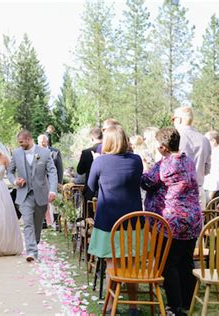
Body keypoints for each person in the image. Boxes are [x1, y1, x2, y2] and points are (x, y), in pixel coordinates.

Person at [141, 128, 202, 316]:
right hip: (193, 219)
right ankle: (187, 301)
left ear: (162, 147)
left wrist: (144, 165)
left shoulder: (163, 166)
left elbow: (146, 182)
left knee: (169, 264)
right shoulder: (188, 161)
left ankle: (174, 307)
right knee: (186, 261)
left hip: (172, 222)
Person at [86, 125, 143, 315]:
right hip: (133, 223)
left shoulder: (100, 162)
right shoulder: (136, 160)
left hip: (108, 222)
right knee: (131, 264)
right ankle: (133, 306)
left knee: (111, 264)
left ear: (107, 142)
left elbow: (91, 187)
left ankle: (111, 304)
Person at [7, 130, 58, 262]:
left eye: (22, 142)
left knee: (37, 222)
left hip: (41, 194)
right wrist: (14, 181)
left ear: (29, 139)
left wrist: (52, 191)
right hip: (24, 194)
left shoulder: (45, 153)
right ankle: (31, 252)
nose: (20, 145)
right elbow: (10, 172)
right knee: (28, 222)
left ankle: (34, 241)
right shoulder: (17, 153)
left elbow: (52, 172)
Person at [172, 106, 211, 209]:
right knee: (199, 224)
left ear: (179, 119)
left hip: (178, 194)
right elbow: (207, 170)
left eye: (173, 119)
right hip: (198, 191)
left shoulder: (175, 138)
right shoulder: (204, 140)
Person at [77, 127, 103, 218]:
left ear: (92, 138)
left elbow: (80, 171)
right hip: (106, 191)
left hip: (90, 190)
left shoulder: (86, 152)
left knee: (89, 217)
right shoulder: (109, 151)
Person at [203, 130, 219, 201]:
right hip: (209, 189)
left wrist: (209, 197)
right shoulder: (216, 152)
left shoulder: (217, 154)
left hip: (212, 191)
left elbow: (215, 175)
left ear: (213, 141)